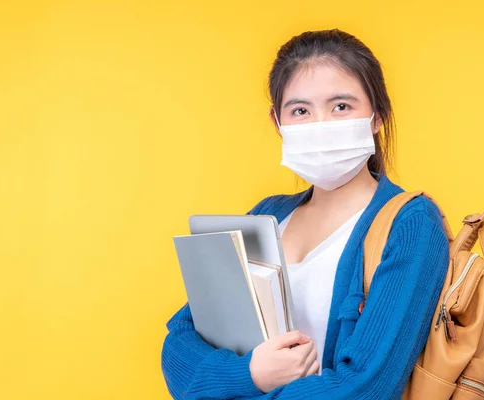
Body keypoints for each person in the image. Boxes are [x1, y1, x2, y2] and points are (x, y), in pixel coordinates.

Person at [161, 29, 449, 400]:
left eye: (341, 106)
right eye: (300, 110)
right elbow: (179, 345)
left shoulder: (410, 225)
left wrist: (222, 387)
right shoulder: (268, 215)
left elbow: (365, 388)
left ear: (377, 116)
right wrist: (249, 374)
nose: (321, 126)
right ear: (277, 122)